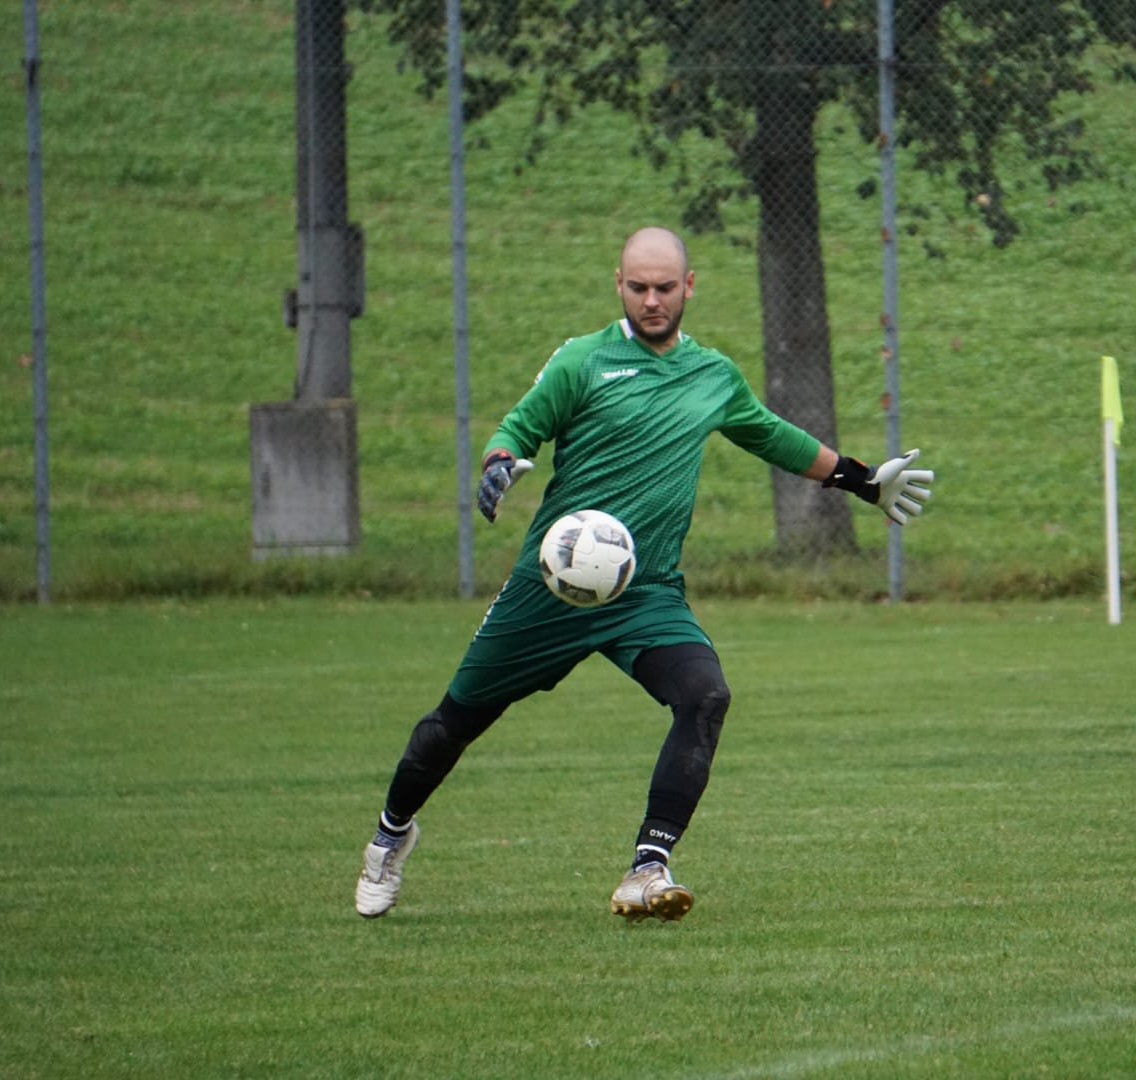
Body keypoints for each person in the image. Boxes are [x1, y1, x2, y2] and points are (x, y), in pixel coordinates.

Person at [355, 226, 933, 922]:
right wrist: (499, 467)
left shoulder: (713, 376)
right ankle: (390, 836)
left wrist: (862, 480)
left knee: (705, 697)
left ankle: (647, 866)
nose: (652, 300)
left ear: (689, 287)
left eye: (665, 288)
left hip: (645, 592)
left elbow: (771, 434)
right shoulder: (582, 361)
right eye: (638, 287)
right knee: (452, 726)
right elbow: (518, 427)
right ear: (618, 285)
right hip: (549, 591)